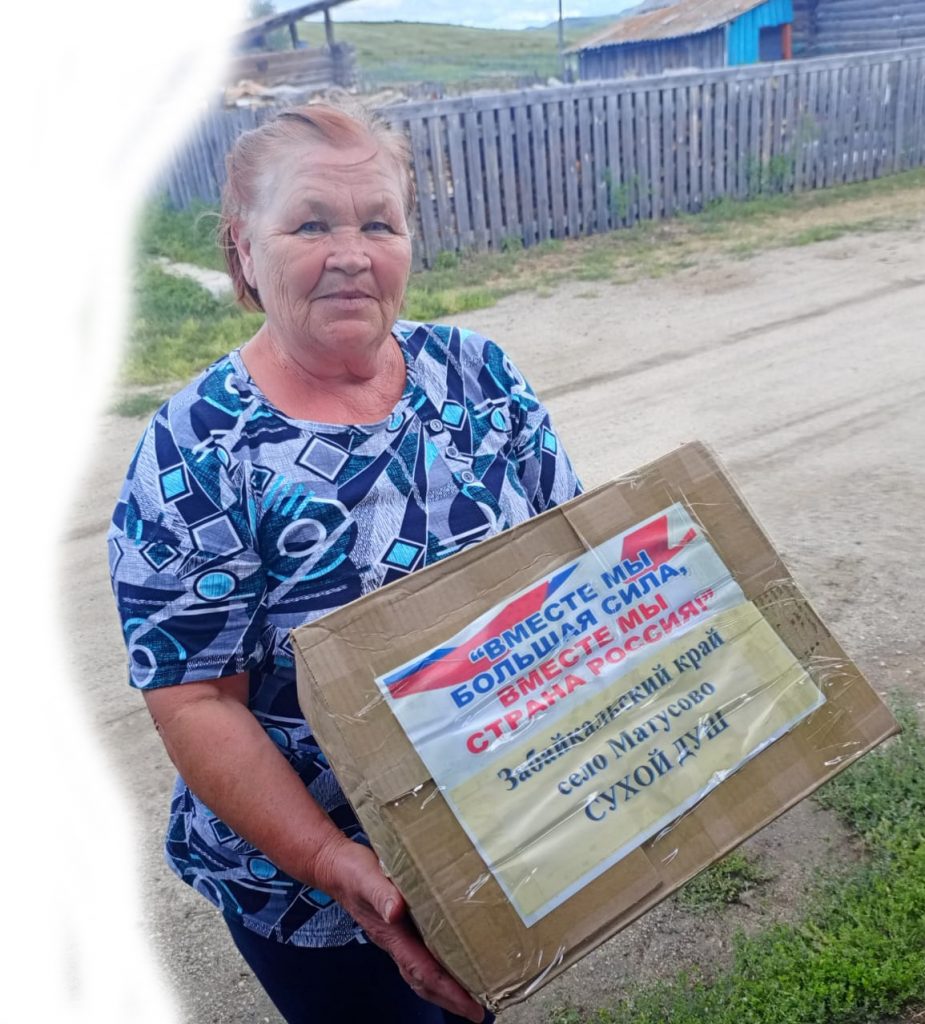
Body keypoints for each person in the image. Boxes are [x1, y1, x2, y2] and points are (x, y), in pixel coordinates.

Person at [108, 100, 581, 1024]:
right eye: (311, 224)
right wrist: (331, 860)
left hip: (491, 823)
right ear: (244, 249)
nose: (352, 254)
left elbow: (571, 556)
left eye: (379, 224)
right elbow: (196, 701)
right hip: (315, 885)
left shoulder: (477, 375)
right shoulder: (197, 451)